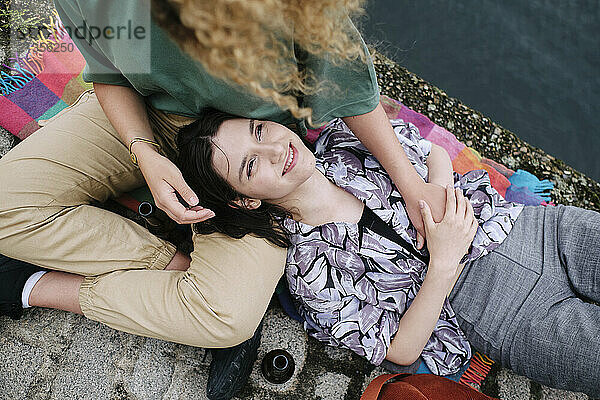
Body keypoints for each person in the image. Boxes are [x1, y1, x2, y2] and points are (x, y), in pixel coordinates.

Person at [0, 1, 448, 398]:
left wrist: (410, 184)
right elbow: (109, 74)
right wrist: (145, 151)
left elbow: (347, 84)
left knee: (227, 317)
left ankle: (33, 287)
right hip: (145, 116)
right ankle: (177, 268)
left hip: (245, 163)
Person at [174, 109, 600, 396]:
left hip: (541, 228)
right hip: (506, 314)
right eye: (252, 166)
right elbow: (399, 350)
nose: (274, 151)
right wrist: (444, 264)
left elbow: (432, 152)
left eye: (259, 131)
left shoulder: (346, 140)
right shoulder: (308, 271)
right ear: (244, 201)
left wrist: (439, 198)